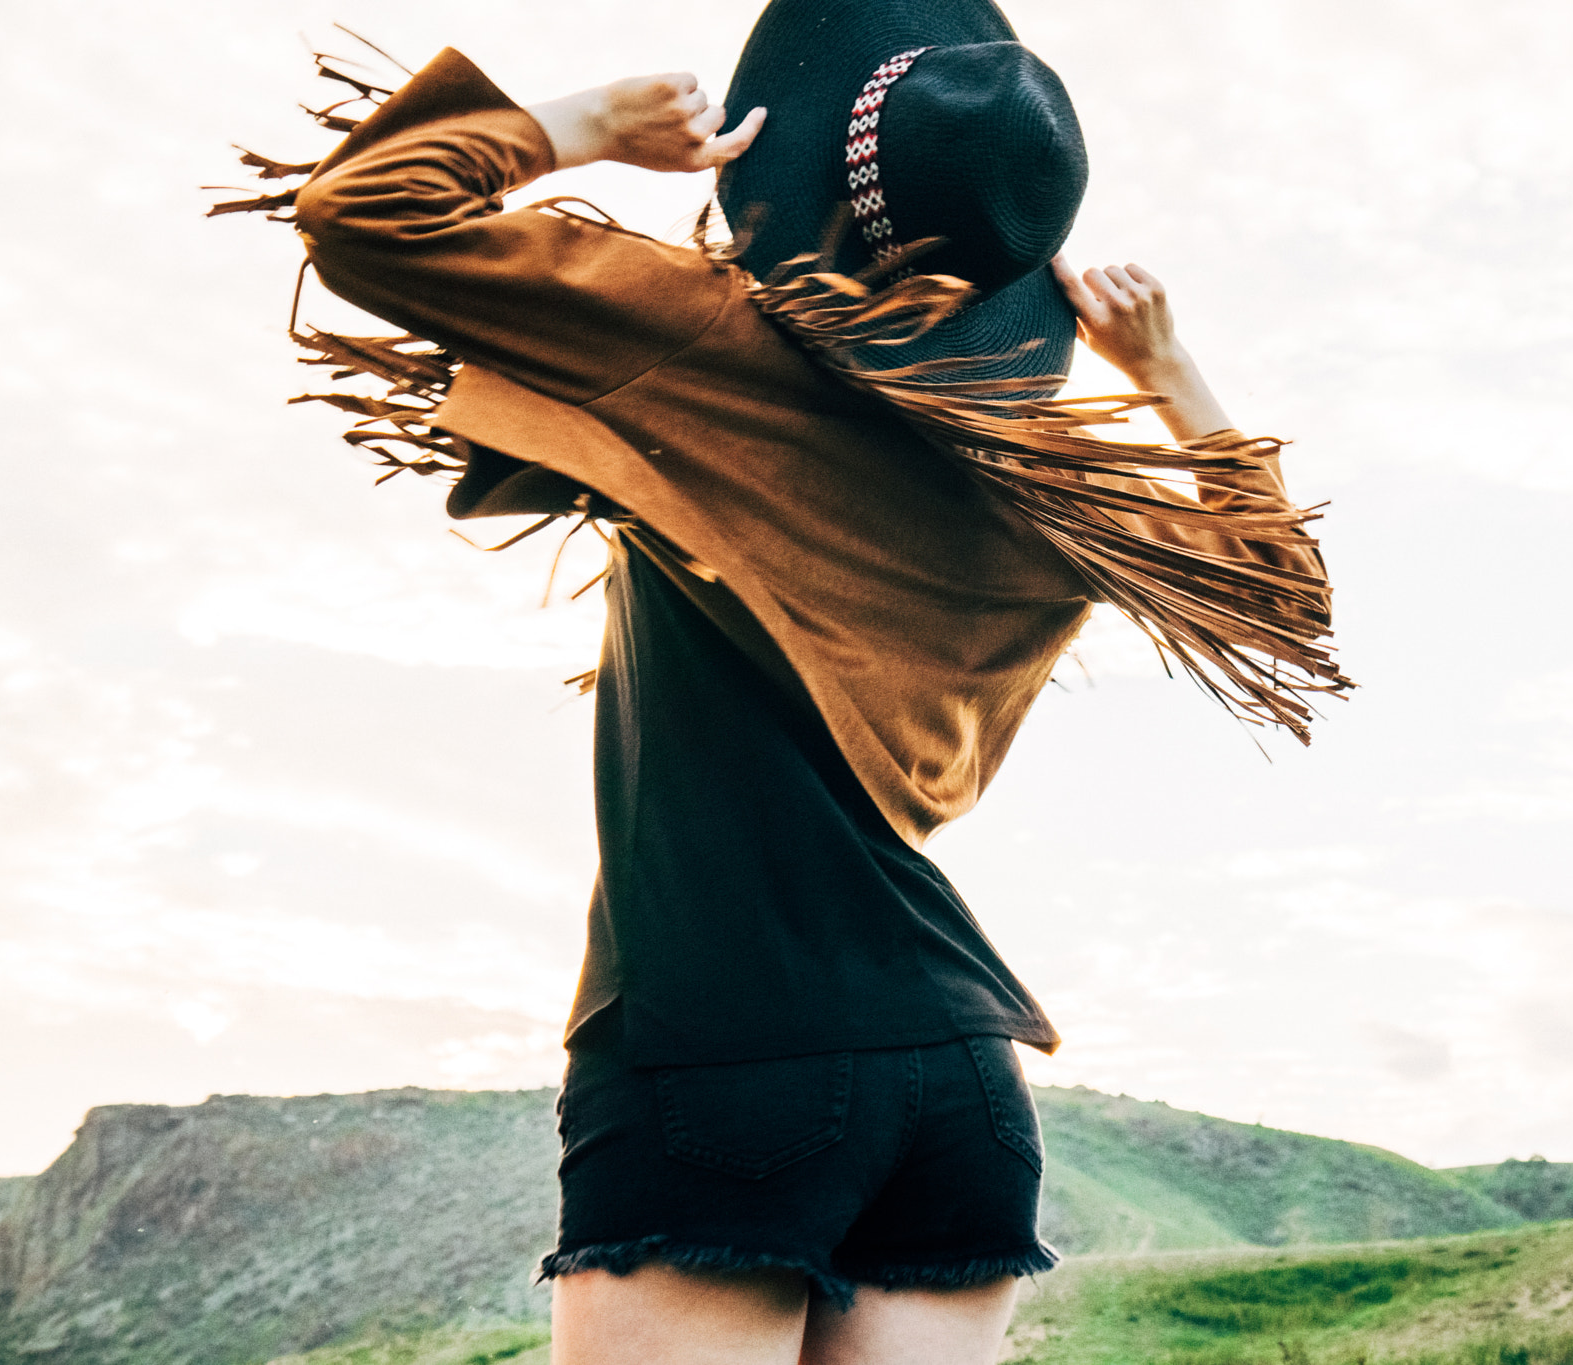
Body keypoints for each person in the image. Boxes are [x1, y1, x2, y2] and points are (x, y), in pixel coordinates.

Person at [259, 0, 1344, 1360]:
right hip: (958, 1082)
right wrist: (1172, 373)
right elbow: (1283, 600)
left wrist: (594, 126)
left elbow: (362, 213)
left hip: (718, 1041)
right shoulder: (1047, 490)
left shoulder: (703, 343)